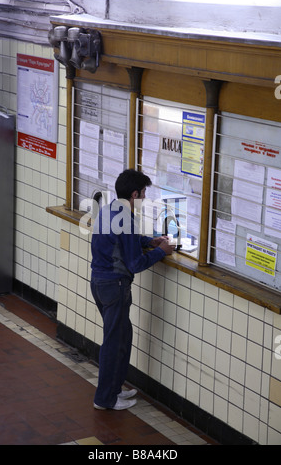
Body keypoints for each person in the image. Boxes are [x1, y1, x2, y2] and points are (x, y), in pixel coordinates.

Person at [90, 169, 175, 411]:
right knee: (114, 343)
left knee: (121, 338)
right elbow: (135, 264)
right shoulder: (127, 218)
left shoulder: (108, 210)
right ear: (135, 193)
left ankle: (114, 391)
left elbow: (120, 241)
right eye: (144, 193)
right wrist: (161, 252)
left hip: (99, 282)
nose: (145, 198)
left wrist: (149, 242)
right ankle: (104, 399)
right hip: (115, 286)